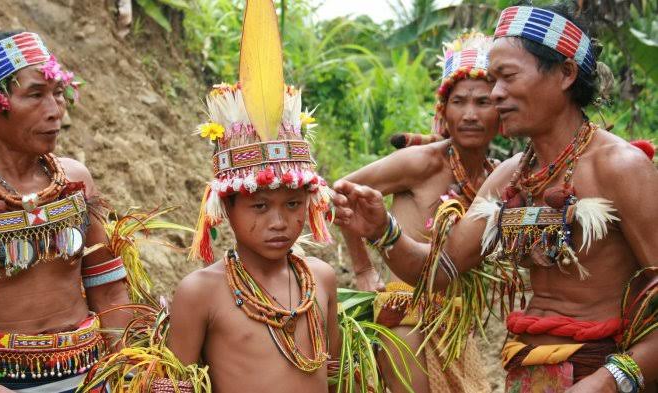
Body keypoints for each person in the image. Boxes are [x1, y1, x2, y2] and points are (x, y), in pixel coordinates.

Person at [333, 3, 658, 392]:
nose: (497, 93)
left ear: (565, 74)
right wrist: (384, 231)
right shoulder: (511, 176)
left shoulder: (620, 166)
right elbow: (441, 272)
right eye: (493, 79)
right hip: (524, 373)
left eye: (507, 77)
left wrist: (611, 379)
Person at [165, 1, 340, 392]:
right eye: (259, 206)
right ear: (226, 206)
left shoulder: (322, 280)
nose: (279, 222)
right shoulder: (201, 293)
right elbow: (177, 385)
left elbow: (335, 373)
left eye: (293, 204)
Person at [0, 28, 131, 392]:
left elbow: (110, 291)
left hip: (91, 377)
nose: (54, 112)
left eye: (57, 94)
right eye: (34, 95)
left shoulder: (76, 179)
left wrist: (131, 368)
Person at [340, 32, 497, 393]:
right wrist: (363, 268)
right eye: (459, 102)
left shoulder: (496, 176)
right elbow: (339, 194)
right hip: (405, 316)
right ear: (444, 111)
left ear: (502, 110)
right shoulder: (422, 161)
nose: (470, 114)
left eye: (483, 102)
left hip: (457, 323)